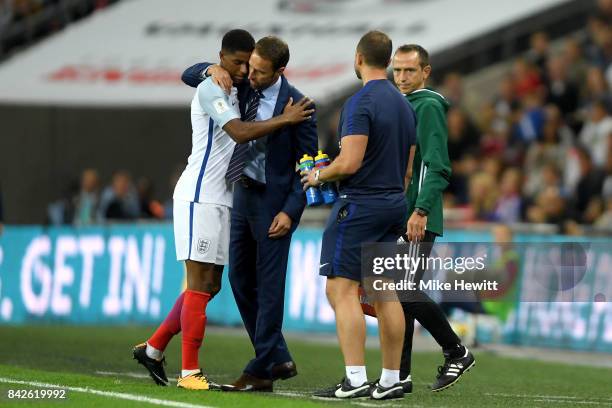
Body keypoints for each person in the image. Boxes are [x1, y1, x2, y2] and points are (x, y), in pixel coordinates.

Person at [132, 29, 314, 391]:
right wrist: (209, 69)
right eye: (240, 64)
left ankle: (153, 349)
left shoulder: (294, 102)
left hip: (237, 200)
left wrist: (294, 208)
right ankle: (190, 373)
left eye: (254, 67)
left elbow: (308, 163)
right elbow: (239, 131)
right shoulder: (216, 85)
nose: (247, 72)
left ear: (278, 70)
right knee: (205, 284)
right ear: (223, 59)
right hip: (202, 196)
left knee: (212, 285)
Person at [303, 31, 415, 400]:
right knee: (385, 291)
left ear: (359, 58)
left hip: (361, 205)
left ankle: (354, 378)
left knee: (340, 288)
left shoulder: (359, 102)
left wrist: (319, 175)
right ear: (388, 60)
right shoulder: (403, 104)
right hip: (394, 203)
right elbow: (408, 170)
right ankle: (390, 378)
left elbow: (349, 162)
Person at [392, 44, 475, 392]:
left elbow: (436, 165)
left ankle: (456, 350)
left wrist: (420, 210)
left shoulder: (426, 105)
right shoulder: (406, 104)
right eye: (396, 70)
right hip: (402, 212)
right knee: (398, 295)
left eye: (409, 70)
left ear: (425, 72)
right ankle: (399, 375)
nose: (401, 77)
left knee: (403, 291)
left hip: (417, 215)